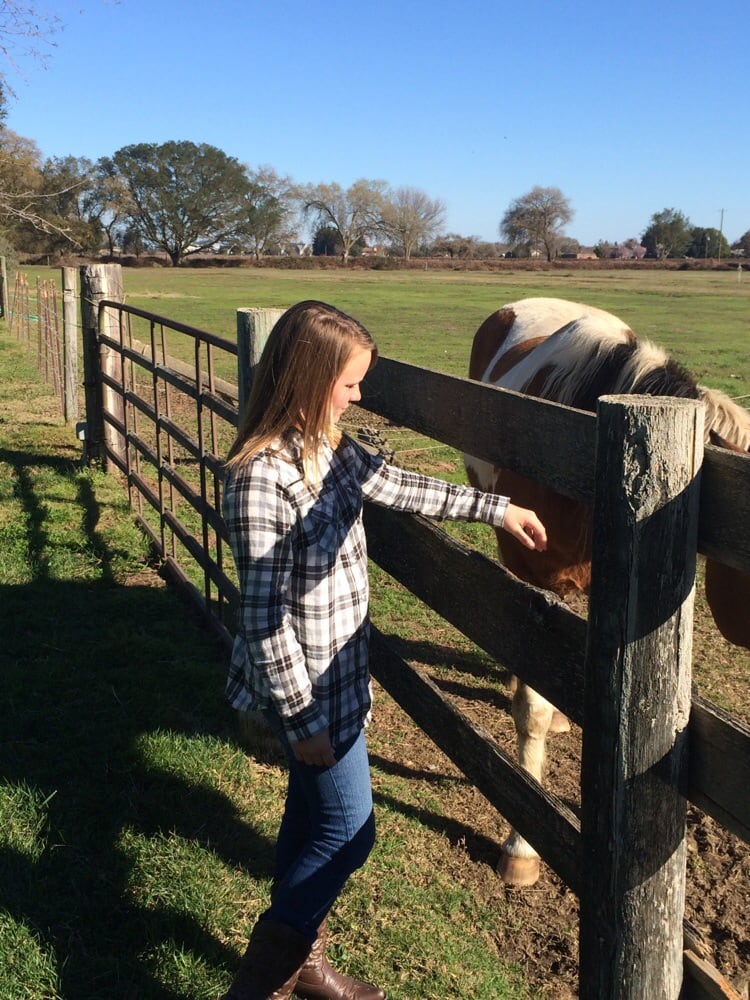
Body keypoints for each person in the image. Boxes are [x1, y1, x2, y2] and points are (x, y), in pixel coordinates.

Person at [220, 300, 548, 1000]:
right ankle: (260, 983)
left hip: (339, 679)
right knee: (349, 830)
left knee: (310, 817)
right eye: (349, 383)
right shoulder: (260, 481)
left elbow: (401, 485)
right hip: (305, 689)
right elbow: (262, 619)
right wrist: (303, 720)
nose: (359, 396)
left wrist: (498, 508)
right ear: (307, 381)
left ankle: (303, 964)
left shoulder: (332, 450)